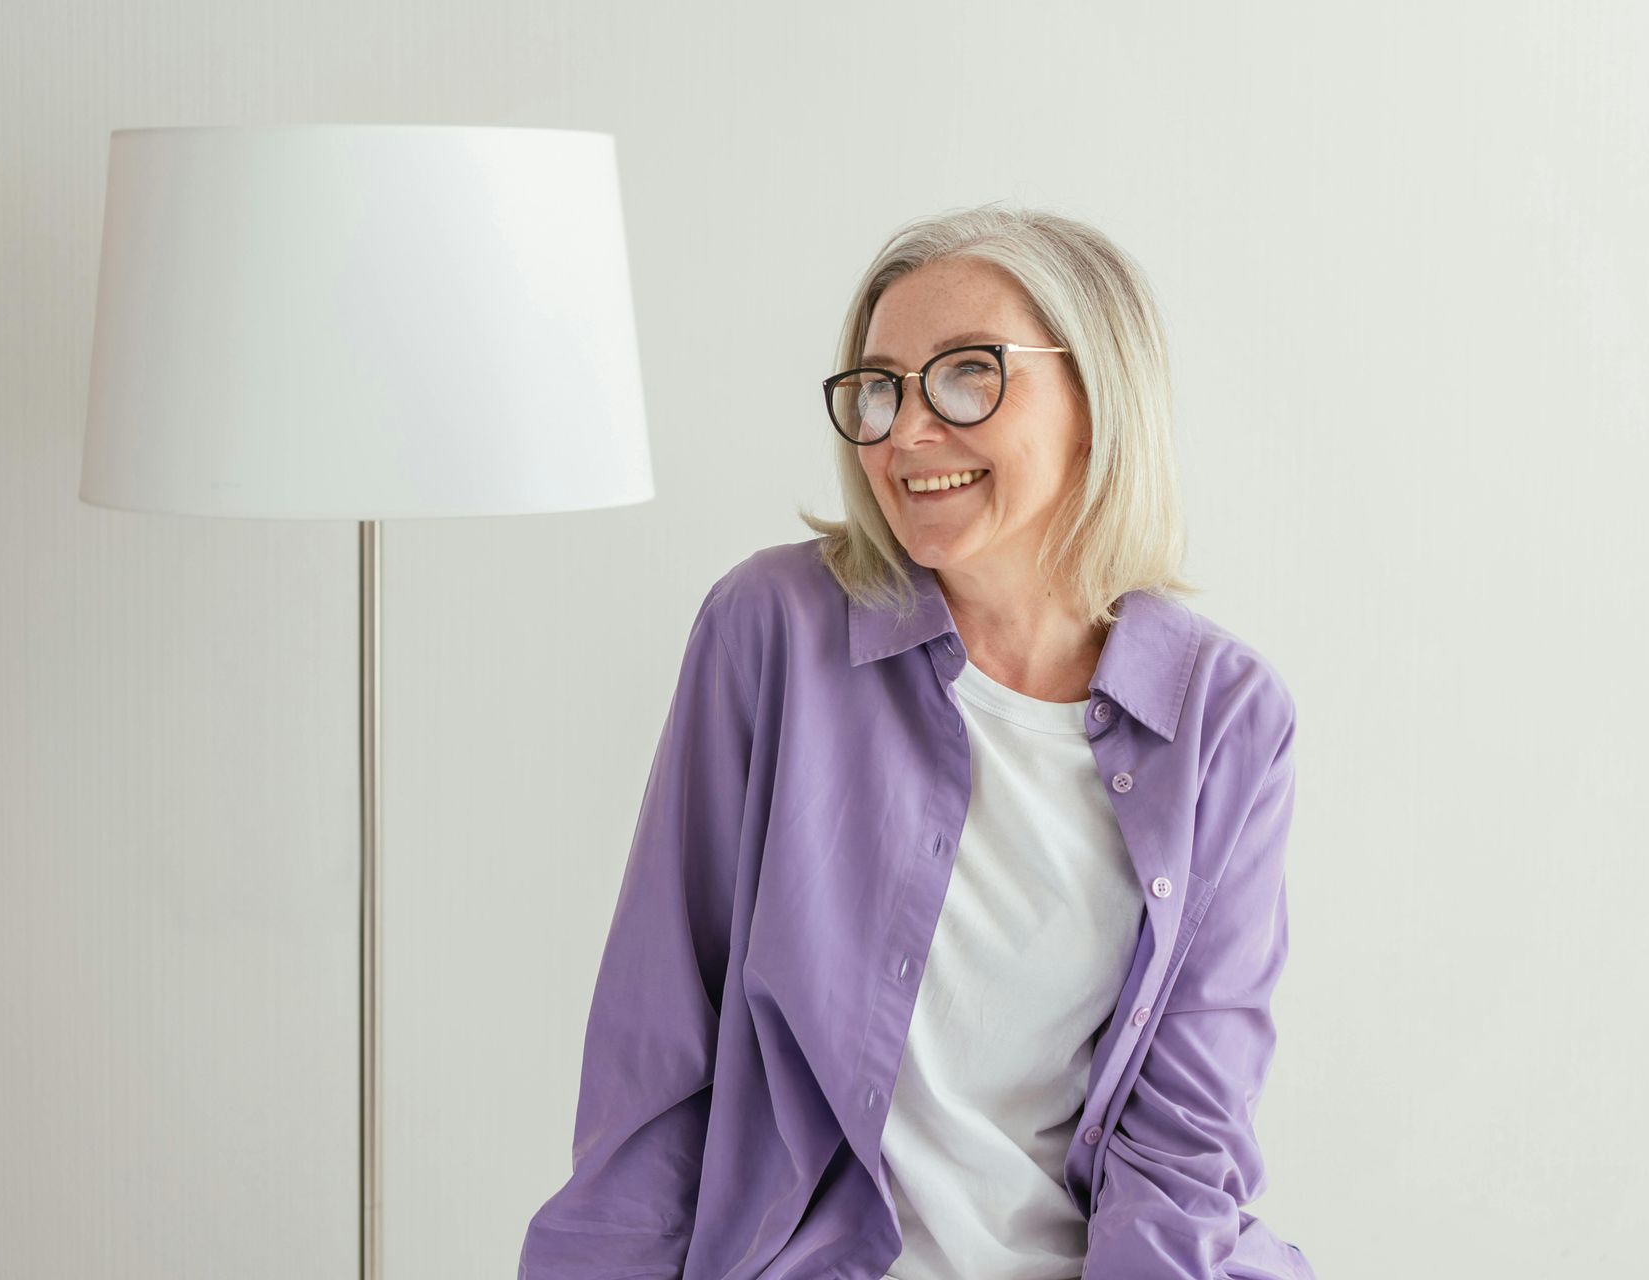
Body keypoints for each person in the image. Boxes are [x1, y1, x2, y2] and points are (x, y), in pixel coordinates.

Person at [519, 203, 1315, 1280]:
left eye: (966, 374)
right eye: (882, 386)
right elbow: (656, 1054)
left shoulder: (1224, 713)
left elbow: (1186, 1138)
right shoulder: (773, 634)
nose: (905, 432)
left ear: (1096, 396)